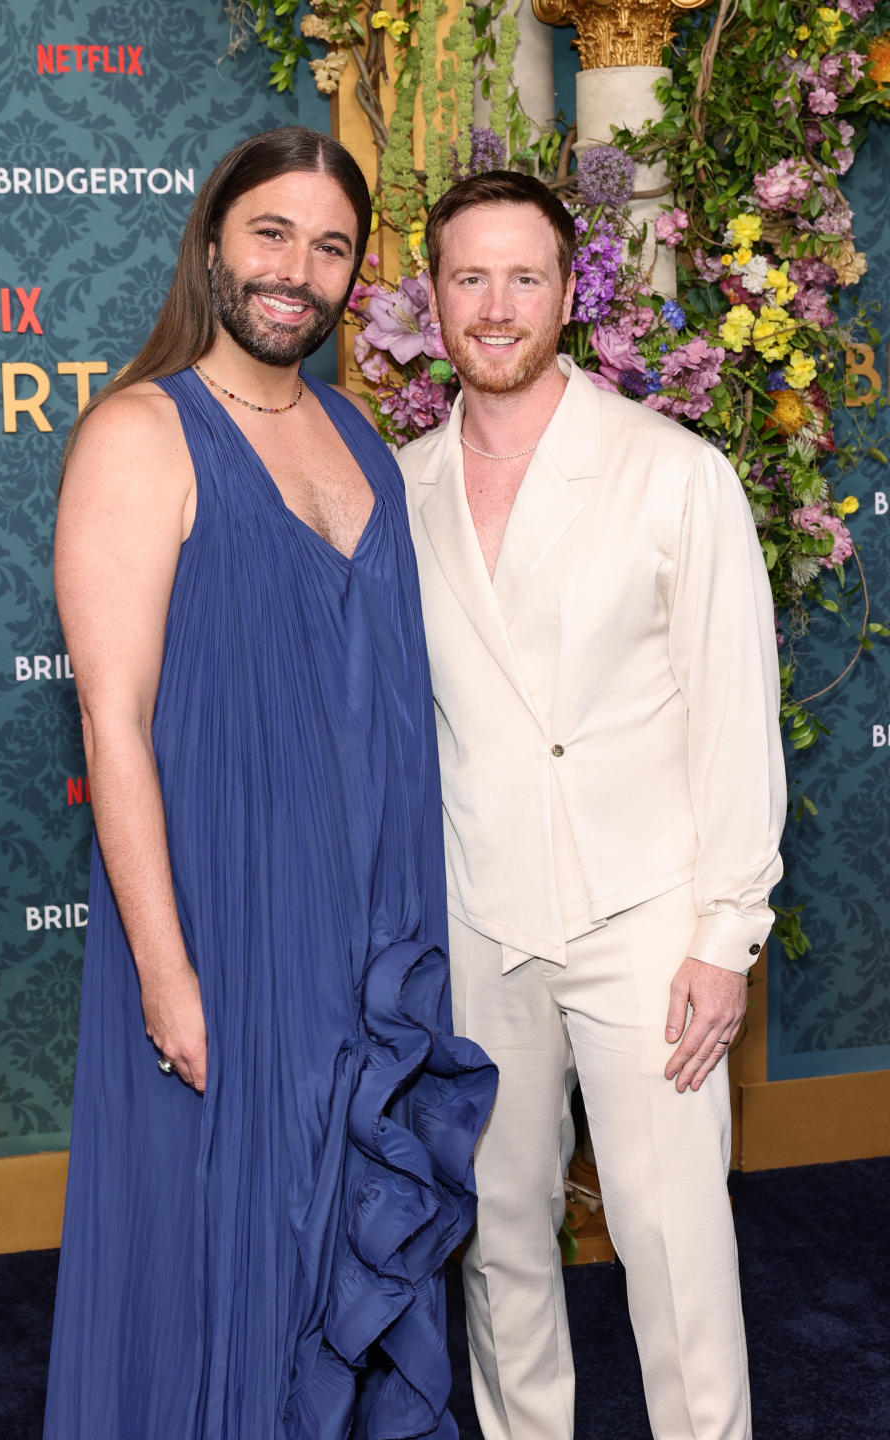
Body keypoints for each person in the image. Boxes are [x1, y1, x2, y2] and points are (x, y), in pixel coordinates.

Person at [44, 127, 495, 1440]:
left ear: (358, 277)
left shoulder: (356, 434)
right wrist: (166, 970)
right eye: (273, 234)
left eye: (333, 246)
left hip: (370, 933)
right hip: (227, 928)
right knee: (225, 1262)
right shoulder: (141, 433)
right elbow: (112, 723)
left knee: (342, 1249)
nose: (299, 270)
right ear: (214, 245)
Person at [398, 170, 786, 1440]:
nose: (496, 306)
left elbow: (735, 713)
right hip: (479, 918)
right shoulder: (400, 491)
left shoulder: (672, 473)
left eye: (524, 277)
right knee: (502, 1242)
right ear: (432, 297)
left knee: (675, 1249)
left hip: (646, 923)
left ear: (571, 294)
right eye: (470, 278)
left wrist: (723, 935)